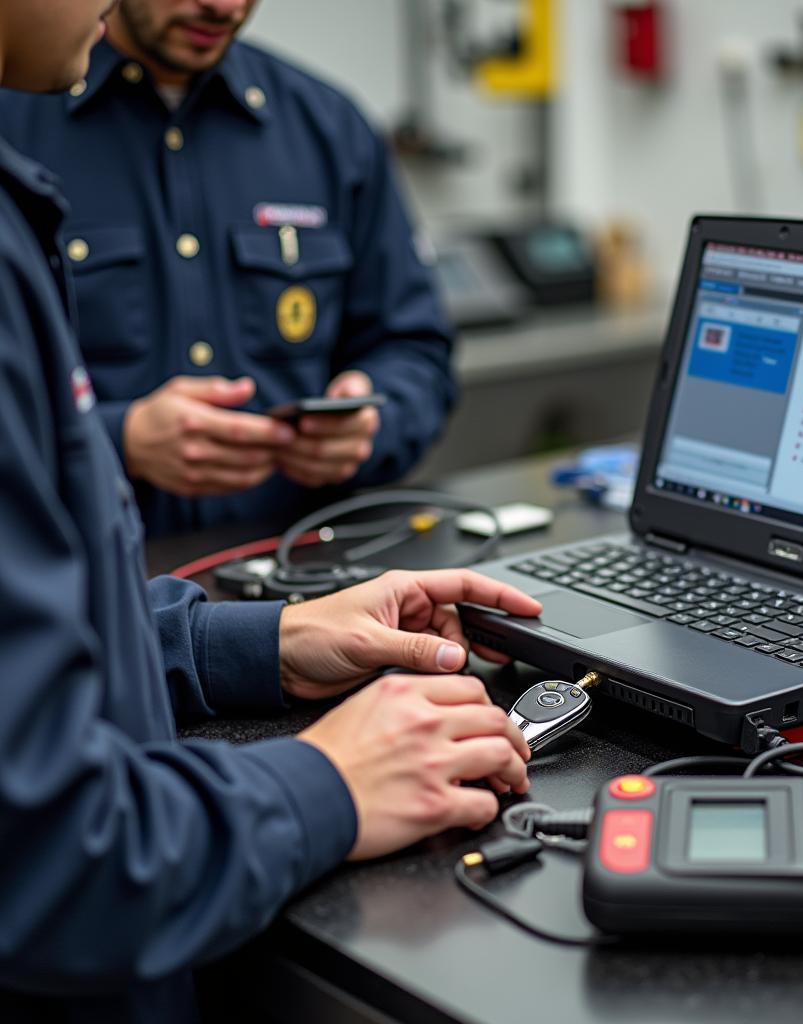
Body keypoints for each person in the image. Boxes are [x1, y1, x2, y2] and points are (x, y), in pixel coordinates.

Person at [0, 5, 538, 1020]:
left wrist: (267, 638)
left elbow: (416, 348)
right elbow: (51, 850)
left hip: (241, 588)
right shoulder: (21, 134)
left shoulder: (324, 127)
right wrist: (325, 782)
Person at [0, 0, 457, 538]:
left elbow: (415, 349)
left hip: (303, 578)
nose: (223, 6)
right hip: (95, 582)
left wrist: (372, 423)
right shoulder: (16, 121)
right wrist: (117, 440)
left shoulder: (328, 128)